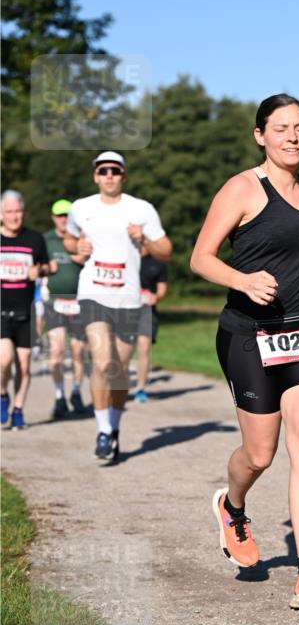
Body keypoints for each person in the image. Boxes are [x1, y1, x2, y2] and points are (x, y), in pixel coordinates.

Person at [191, 93, 299, 612]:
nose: (293, 137)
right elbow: (201, 258)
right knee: (260, 454)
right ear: (260, 135)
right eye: (281, 128)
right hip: (249, 335)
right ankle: (232, 505)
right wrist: (242, 280)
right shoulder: (242, 188)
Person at [64, 151, 172, 465]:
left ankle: (113, 428)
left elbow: (165, 250)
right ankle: (102, 430)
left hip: (127, 298)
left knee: (120, 373)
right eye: (103, 170)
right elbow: (70, 239)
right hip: (93, 294)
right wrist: (77, 247)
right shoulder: (81, 207)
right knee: (102, 363)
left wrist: (145, 240)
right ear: (95, 176)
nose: (109, 175)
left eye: (115, 170)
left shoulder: (141, 209)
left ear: (123, 175)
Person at [1, 190, 51, 429]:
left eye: (18, 211)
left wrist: (39, 272)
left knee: (24, 363)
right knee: (4, 359)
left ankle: (18, 410)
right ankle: (2, 394)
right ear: (1, 214)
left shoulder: (34, 239)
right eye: (9, 211)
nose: (14, 216)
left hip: (26, 311)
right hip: (1, 310)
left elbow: (49, 266)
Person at [43, 199, 88, 418]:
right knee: (57, 350)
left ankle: (77, 392)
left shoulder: (82, 239)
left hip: (79, 302)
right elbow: (34, 266)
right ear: (53, 218)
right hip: (55, 302)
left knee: (79, 352)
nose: (64, 219)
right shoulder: (46, 240)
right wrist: (44, 268)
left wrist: (84, 257)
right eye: (60, 215)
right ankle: (60, 395)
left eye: (67, 215)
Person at [133, 244, 168, 402]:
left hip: (147, 311)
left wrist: (157, 296)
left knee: (144, 347)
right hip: (125, 310)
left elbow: (162, 288)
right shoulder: (126, 257)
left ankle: (140, 388)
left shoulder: (157, 263)